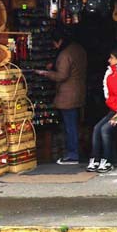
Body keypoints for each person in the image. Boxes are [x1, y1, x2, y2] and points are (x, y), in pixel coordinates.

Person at [36, 25, 87, 166]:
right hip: (79, 91)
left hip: (68, 95)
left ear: (59, 41)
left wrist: (46, 73)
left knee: (70, 125)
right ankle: (76, 152)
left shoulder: (65, 54)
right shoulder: (79, 49)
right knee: (75, 124)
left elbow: (62, 76)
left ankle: (72, 155)